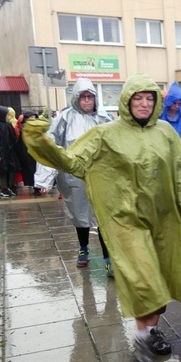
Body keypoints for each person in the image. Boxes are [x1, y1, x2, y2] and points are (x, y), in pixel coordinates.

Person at [23, 72, 181, 362]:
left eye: (149, 98)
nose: (144, 104)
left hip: (164, 220)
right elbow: (75, 162)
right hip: (127, 220)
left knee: (164, 283)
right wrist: (42, 144)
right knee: (146, 281)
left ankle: (150, 330)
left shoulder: (166, 133)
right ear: (126, 101)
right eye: (138, 98)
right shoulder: (106, 133)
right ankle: (142, 338)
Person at [34, 78, 115, 273]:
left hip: (99, 176)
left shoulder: (105, 119)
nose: (87, 101)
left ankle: (108, 258)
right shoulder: (65, 118)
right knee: (80, 216)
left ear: (95, 98)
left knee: (103, 217)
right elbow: (51, 147)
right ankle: (83, 249)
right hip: (74, 177)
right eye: (83, 97)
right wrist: (44, 178)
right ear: (77, 99)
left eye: (90, 97)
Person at [0, 106, 20, 198]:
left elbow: (13, 137)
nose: (7, 116)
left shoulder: (6, 124)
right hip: (2, 152)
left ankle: (11, 187)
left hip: (8, 151)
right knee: (3, 170)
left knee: (11, 169)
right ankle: (5, 188)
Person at [14, 110, 40, 196]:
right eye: (31, 117)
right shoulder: (23, 128)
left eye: (34, 117)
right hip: (27, 152)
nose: (33, 119)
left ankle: (37, 187)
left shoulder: (38, 126)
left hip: (37, 151)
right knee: (31, 170)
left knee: (37, 169)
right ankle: (35, 187)